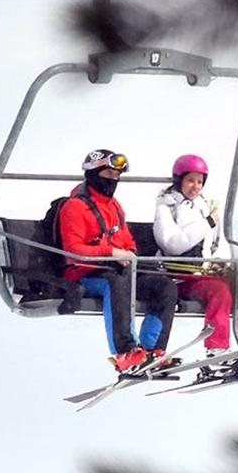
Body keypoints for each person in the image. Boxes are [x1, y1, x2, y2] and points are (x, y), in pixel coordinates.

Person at [59, 149, 183, 372]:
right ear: (94, 174)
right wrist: (112, 253)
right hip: (85, 273)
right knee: (116, 282)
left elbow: (127, 240)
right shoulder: (75, 207)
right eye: (108, 174)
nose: (113, 181)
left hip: (117, 269)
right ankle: (125, 351)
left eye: (117, 176)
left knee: (164, 286)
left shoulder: (114, 206)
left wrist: (128, 254)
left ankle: (152, 350)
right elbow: (73, 249)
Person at [153, 153, 238, 368]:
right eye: (190, 180)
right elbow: (172, 244)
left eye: (200, 181)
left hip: (205, 273)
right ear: (178, 179)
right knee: (219, 292)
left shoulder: (204, 206)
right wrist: (207, 222)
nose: (195, 187)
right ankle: (217, 350)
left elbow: (214, 244)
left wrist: (220, 262)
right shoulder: (166, 208)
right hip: (179, 277)